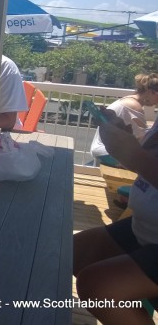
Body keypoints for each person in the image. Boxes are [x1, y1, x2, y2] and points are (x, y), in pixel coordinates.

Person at [73, 110, 158, 325]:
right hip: (146, 226)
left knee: (100, 288)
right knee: (75, 253)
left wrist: (136, 157)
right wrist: (125, 140)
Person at [90, 73, 158, 167]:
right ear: (151, 92)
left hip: (102, 149)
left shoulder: (128, 99)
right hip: (108, 152)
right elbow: (144, 140)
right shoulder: (135, 106)